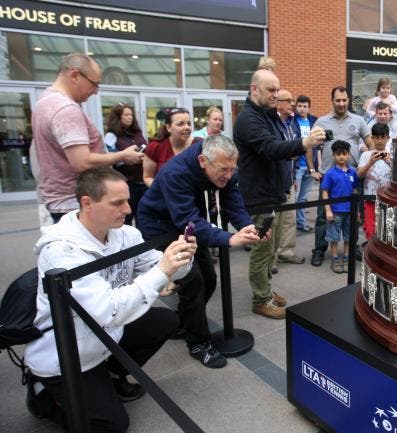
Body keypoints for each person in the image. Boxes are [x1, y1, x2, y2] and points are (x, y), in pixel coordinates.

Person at [24, 167, 195, 433]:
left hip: (104, 334)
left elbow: (160, 268)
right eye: (117, 203)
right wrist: (163, 270)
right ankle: (43, 397)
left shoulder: (125, 234)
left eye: (127, 200)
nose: (128, 209)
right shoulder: (61, 252)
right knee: (112, 425)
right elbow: (108, 311)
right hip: (67, 353)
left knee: (165, 320)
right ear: (87, 203)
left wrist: (181, 258)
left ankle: (112, 375)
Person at [138, 135, 264, 366]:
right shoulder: (175, 173)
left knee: (209, 279)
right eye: (224, 170)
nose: (229, 175)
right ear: (203, 161)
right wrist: (228, 238)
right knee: (193, 281)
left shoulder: (224, 166)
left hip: (190, 224)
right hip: (160, 226)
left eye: (233, 169)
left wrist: (247, 226)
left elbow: (232, 201)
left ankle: (184, 323)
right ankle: (198, 342)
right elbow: (186, 218)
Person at [233, 69, 325, 319]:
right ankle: (261, 299)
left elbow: (281, 147)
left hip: (274, 193)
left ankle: (265, 290)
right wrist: (304, 144)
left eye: (277, 90)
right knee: (262, 251)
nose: (275, 95)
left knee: (270, 250)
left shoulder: (267, 115)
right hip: (260, 196)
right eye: (271, 90)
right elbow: (270, 147)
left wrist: (294, 151)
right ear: (254, 89)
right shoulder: (248, 119)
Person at [32, 52, 143, 223]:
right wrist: (122, 156)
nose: (96, 91)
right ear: (75, 75)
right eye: (94, 84)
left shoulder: (45, 101)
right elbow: (81, 161)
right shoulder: (66, 109)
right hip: (74, 203)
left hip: (62, 201)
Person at [311, 86, 372, 267]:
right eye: (338, 100)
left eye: (344, 100)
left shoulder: (359, 120)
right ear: (332, 101)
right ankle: (319, 250)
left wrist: (368, 162)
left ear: (348, 100)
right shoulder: (321, 122)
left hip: (352, 177)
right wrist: (312, 169)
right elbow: (309, 145)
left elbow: (370, 143)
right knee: (324, 216)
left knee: (353, 216)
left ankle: (351, 248)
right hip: (328, 178)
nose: (341, 103)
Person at [273, 89, 305, 267]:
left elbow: (297, 149)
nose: (293, 104)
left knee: (289, 219)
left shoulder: (293, 124)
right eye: (288, 101)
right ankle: (271, 259)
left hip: (289, 179)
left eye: (293, 100)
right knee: (273, 222)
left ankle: (285, 252)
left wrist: (294, 174)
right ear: (278, 104)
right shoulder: (271, 124)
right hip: (274, 182)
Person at [103, 103, 148, 226]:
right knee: (126, 217)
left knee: (143, 216)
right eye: (126, 115)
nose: (130, 117)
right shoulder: (111, 135)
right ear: (118, 117)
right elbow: (109, 157)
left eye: (131, 115)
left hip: (142, 182)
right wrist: (126, 159)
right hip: (126, 182)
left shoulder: (137, 133)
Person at [322, 140, 359, 273]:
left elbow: (355, 191)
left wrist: (357, 211)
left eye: (344, 154)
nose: (341, 157)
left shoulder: (353, 172)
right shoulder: (330, 173)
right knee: (334, 238)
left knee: (349, 237)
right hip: (335, 212)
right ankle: (335, 259)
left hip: (350, 211)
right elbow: (325, 192)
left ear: (348, 155)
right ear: (334, 156)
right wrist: (328, 210)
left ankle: (347, 258)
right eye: (338, 154)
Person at [143, 107, 196, 187]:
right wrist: (163, 189)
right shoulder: (156, 147)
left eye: (189, 124)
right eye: (180, 124)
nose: (187, 127)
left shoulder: (199, 145)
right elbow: (147, 177)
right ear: (168, 128)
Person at [357, 123, 392, 241]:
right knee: (370, 227)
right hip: (369, 198)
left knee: (386, 228)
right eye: (376, 137)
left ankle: (381, 249)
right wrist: (370, 162)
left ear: (388, 138)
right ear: (372, 138)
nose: (380, 140)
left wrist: (391, 162)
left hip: (387, 199)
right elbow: (359, 175)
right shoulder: (366, 155)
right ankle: (370, 247)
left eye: (383, 137)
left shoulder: (392, 154)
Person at [294, 95, 319, 232]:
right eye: (299, 106)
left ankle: (301, 223)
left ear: (309, 108)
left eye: (305, 106)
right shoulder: (292, 121)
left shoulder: (314, 121)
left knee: (303, 198)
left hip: (310, 166)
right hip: (297, 165)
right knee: (294, 197)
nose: (302, 109)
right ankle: (290, 226)